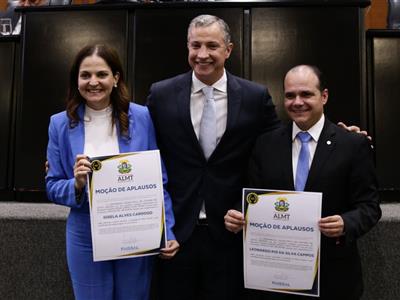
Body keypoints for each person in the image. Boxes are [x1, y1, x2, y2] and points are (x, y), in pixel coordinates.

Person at [147, 14, 281, 300]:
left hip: (230, 235)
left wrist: (341, 136)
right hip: (175, 235)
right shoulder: (161, 94)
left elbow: (278, 150)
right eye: (195, 45)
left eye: (212, 46)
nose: (202, 54)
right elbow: (139, 146)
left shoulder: (254, 97)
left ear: (228, 50)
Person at [224, 64, 381, 300]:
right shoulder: (265, 144)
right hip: (274, 276)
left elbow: (370, 207)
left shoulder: (353, 145)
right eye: (290, 95)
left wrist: (346, 223)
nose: (297, 102)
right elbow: (251, 196)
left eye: (306, 94)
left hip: (333, 276)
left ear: (324, 96)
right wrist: (238, 213)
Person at [46, 44, 179, 300]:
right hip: (85, 233)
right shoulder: (59, 124)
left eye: (101, 74)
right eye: (85, 75)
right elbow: (52, 186)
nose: (93, 82)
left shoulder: (141, 117)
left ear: (115, 78)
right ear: (76, 80)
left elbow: (157, 180)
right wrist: (76, 184)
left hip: (137, 228)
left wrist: (167, 231)